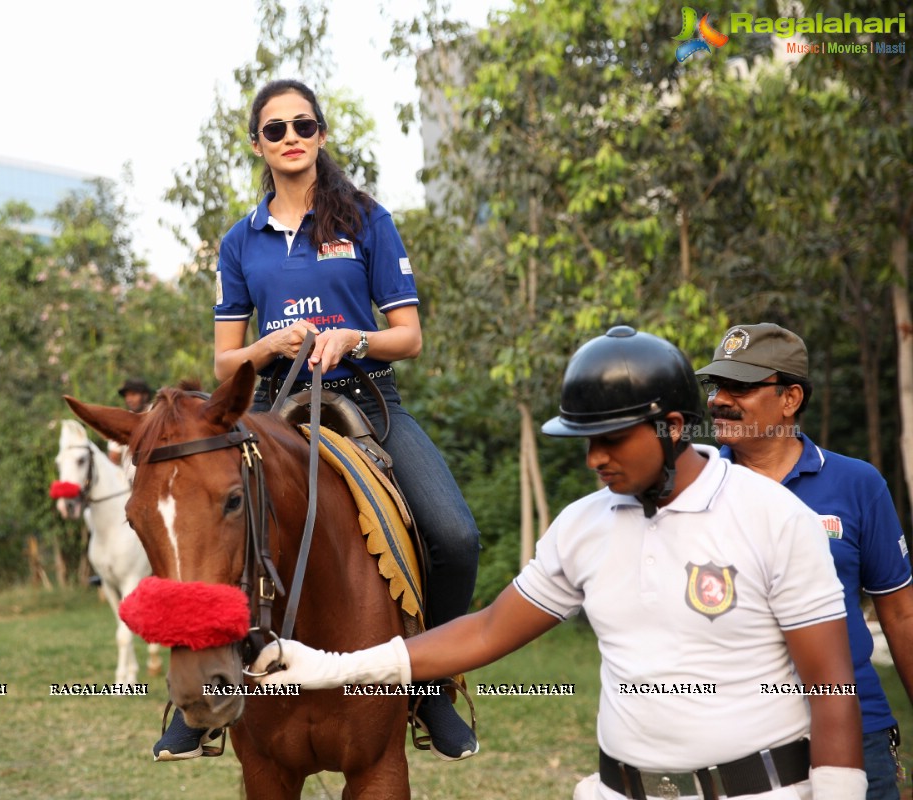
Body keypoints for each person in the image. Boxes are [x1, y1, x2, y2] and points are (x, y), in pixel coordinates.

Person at [252, 326, 868, 799]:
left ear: (673, 426)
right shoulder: (584, 525)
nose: (595, 459)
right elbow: (490, 629)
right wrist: (335, 667)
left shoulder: (772, 517)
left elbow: (832, 688)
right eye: (585, 441)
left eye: (612, 439)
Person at [149, 77, 483, 763]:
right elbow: (223, 363)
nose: (291, 137)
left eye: (303, 125)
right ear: (258, 146)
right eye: (275, 130)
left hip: (367, 402)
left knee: (456, 534)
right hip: (273, 408)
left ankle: (431, 687)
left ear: (321, 136)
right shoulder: (241, 240)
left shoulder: (367, 219)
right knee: (215, 530)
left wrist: (351, 338)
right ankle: (197, 702)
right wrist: (265, 346)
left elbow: (409, 336)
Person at [697, 323, 913, 800]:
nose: (719, 399)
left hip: (856, 732)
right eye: (717, 386)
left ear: (791, 397)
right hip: (733, 736)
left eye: (741, 387)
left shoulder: (858, 484)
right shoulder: (696, 486)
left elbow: (900, 613)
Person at [107, 379, 152, 464]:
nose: (129, 399)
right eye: (126, 396)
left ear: (145, 395)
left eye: (133, 394)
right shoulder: (122, 422)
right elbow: (114, 456)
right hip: (129, 476)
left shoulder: (158, 417)